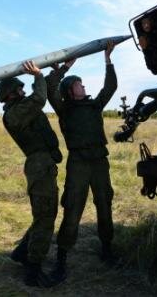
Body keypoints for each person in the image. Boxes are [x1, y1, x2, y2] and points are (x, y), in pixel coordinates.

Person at [46, 41, 118, 280]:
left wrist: (108, 60)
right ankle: (62, 259)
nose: (83, 86)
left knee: (104, 203)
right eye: (79, 84)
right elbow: (50, 87)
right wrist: (64, 68)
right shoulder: (64, 109)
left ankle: (107, 248)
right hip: (78, 163)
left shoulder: (94, 105)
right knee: (73, 208)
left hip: (99, 162)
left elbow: (111, 87)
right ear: (69, 91)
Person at [0, 61, 63, 288]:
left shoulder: (20, 108)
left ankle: (22, 253)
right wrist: (38, 75)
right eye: (19, 89)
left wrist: (59, 70)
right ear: (11, 94)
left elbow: (43, 92)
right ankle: (33, 270)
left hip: (43, 164)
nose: (23, 92)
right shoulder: (15, 114)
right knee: (46, 217)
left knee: (43, 215)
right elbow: (39, 98)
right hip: (39, 166)